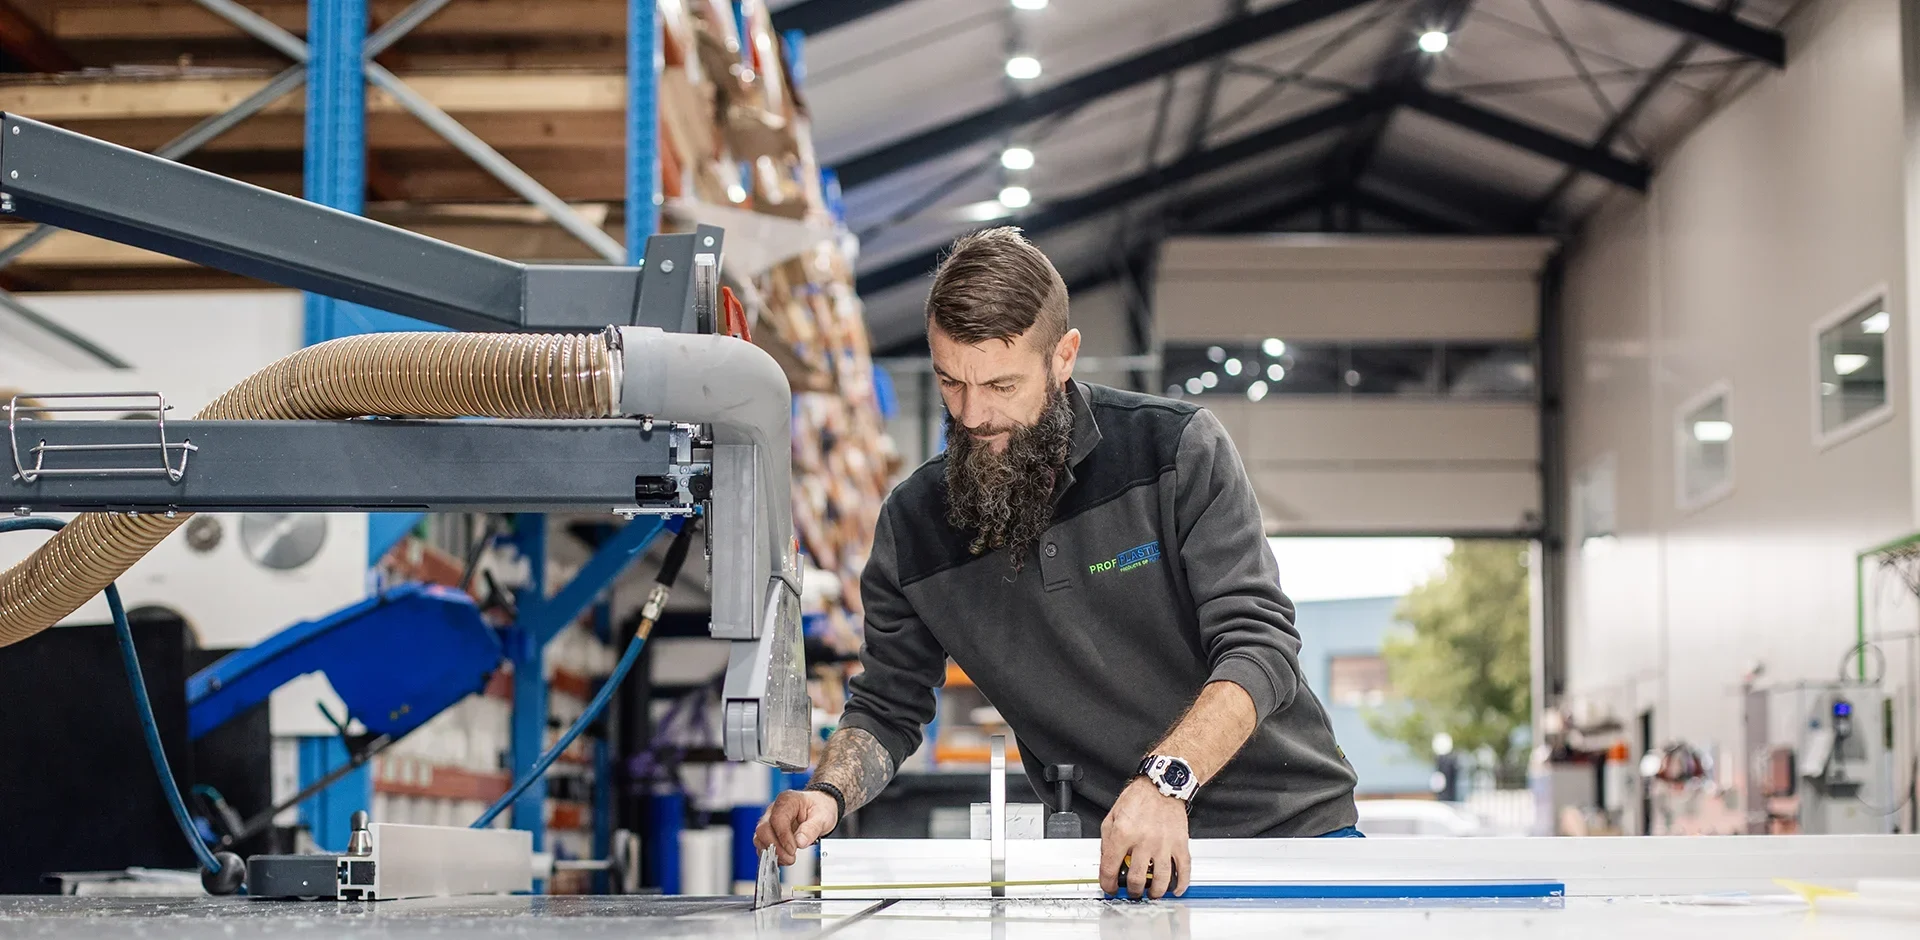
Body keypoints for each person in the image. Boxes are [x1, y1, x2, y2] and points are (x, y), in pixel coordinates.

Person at [755, 227, 1358, 899]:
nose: (975, 415)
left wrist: (1167, 784)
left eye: (1002, 384)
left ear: (1062, 357)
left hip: (1292, 840)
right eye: (951, 382)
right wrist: (829, 793)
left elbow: (1261, 645)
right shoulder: (914, 525)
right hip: (1121, 866)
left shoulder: (1176, 451)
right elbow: (889, 703)